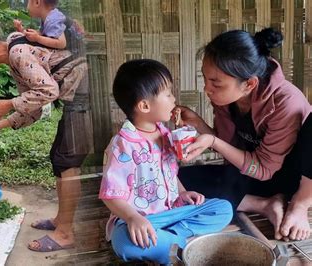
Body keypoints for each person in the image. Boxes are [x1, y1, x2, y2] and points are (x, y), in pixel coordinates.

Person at [0, 21, 89, 252]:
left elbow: (49, 91)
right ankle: (61, 220)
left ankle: (66, 233)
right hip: (77, 98)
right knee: (58, 159)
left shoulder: (18, 53)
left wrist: (9, 104)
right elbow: (34, 108)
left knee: (67, 162)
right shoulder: (15, 55)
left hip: (86, 95)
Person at [175, 28, 312, 241]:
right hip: (249, 174)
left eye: (216, 83)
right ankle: (265, 205)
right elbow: (228, 145)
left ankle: (294, 204)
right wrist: (196, 122)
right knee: (176, 181)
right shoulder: (227, 99)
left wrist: (212, 141)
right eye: (206, 79)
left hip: (290, 179)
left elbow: (265, 169)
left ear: (249, 84)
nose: (206, 89)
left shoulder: (286, 102)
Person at [99, 59, 233, 264]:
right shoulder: (123, 145)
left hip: (171, 214)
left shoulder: (165, 134)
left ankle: (171, 240)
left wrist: (182, 192)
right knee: (124, 241)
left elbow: (170, 173)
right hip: (139, 219)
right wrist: (133, 218)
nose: (174, 99)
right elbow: (110, 195)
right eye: (168, 94)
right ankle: (179, 245)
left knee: (223, 209)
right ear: (144, 105)